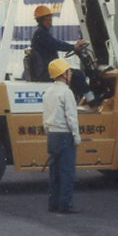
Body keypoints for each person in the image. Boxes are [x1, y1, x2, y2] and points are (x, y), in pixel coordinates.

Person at [43, 58, 82, 214]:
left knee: (54, 172)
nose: (71, 73)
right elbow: (71, 117)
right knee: (67, 173)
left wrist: (48, 131)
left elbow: (45, 115)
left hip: (52, 136)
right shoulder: (66, 92)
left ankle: (53, 204)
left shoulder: (48, 92)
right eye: (69, 71)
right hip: (65, 136)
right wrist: (76, 136)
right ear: (64, 74)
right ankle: (65, 205)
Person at [31, 5, 92, 102]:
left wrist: (72, 48)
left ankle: (76, 100)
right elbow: (56, 44)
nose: (50, 21)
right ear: (41, 20)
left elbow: (55, 43)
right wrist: (73, 47)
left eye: (50, 19)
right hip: (47, 72)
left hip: (47, 69)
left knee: (74, 75)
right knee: (78, 74)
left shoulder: (42, 33)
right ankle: (91, 100)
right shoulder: (41, 33)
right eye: (47, 19)